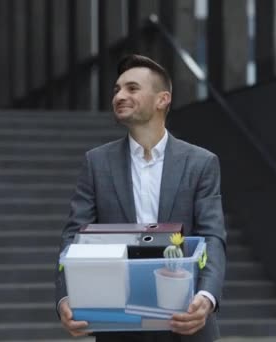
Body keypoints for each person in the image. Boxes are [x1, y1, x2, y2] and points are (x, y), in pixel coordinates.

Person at [55, 54, 227, 342]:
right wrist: (64, 298)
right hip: (119, 325)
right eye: (117, 89)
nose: (120, 95)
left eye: (132, 88)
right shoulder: (97, 163)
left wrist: (206, 297)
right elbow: (73, 237)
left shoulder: (201, 163)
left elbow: (212, 236)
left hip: (187, 324)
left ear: (162, 99)